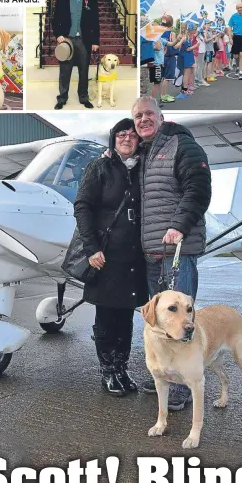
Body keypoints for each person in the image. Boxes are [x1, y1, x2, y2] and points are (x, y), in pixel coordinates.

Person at [131, 95, 211, 411]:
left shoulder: (182, 145)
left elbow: (199, 188)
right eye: (138, 116)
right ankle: (165, 378)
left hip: (177, 248)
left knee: (182, 323)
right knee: (160, 323)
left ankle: (184, 386)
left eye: (149, 113)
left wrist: (179, 225)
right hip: (152, 251)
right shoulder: (144, 154)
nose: (143, 119)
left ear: (161, 117)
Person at [74, 119, 148, 396]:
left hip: (133, 256)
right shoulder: (100, 167)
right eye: (121, 134)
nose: (127, 138)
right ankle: (107, 371)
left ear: (139, 140)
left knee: (126, 316)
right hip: (105, 256)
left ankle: (122, 366)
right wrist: (92, 248)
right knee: (105, 315)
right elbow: (82, 207)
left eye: (132, 134)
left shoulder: (143, 169)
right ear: (113, 139)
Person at [52, 0, 99, 109]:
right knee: (65, 71)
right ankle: (62, 98)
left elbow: (95, 21)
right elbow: (55, 20)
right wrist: (58, 34)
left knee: (84, 71)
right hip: (67, 40)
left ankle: (83, 97)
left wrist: (96, 41)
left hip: (84, 40)